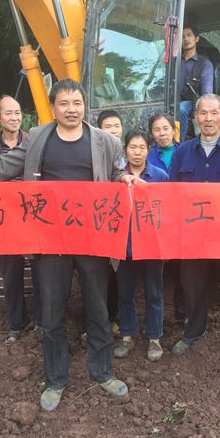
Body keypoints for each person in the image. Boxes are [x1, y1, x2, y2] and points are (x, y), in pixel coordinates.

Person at [0, 79, 143, 412]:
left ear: (85, 106)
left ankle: (103, 372)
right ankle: (55, 380)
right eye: (64, 103)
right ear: (52, 107)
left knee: (99, 311)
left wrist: (124, 177)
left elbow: (115, 175)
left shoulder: (105, 141)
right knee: (52, 314)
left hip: (92, 241)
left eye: (77, 103)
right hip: (50, 241)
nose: (71, 109)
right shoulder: (38, 139)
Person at [169, 94, 220, 359]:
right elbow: (172, 193)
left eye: (214, 113)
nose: (208, 118)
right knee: (192, 286)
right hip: (192, 236)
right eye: (203, 113)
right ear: (195, 118)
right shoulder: (182, 153)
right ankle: (193, 331)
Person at [0, 95, 40, 345]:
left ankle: (41, 320)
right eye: (9, 113)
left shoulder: (35, 143)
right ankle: (16, 323)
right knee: (10, 274)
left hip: (34, 219)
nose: (14, 118)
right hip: (5, 223)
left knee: (40, 271)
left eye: (18, 113)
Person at [113, 129, 169, 362]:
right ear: (125, 150)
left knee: (154, 293)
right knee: (125, 293)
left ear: (149, 150)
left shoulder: (160, 176)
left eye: (142, 148)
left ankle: (154, 338)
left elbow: (167, 212)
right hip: (123, 246)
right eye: (133, 147)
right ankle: (127, 336)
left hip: (151, 247)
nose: (137, 152)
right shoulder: (116, 178)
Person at [146, 113, 185, 323]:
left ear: (173, 130)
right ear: (151, 133)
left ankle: (182, 311)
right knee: (155, 270)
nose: (162, 134)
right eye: (157, 130)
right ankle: (155, 314)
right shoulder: (146, 155)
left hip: (181, 219)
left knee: (182, 268)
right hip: (155, 219)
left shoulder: (186, 152)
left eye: (165, 128)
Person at [96, 109, 124, 330]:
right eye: (108, 127)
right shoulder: (98, 155)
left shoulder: (131, 150)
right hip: (103, 221)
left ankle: (118, 319)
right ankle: (103, 320)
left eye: (116, 126)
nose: (114, 130)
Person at [179, 24, 214, 142]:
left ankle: (179, 144)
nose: (186, 39)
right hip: (172, 100)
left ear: (197, 39)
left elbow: (206, 92)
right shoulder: (174, 62)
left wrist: (200, 108)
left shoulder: (205, 64)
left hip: (193, 102)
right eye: (182, 36)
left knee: (181, 108)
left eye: (189, 35)